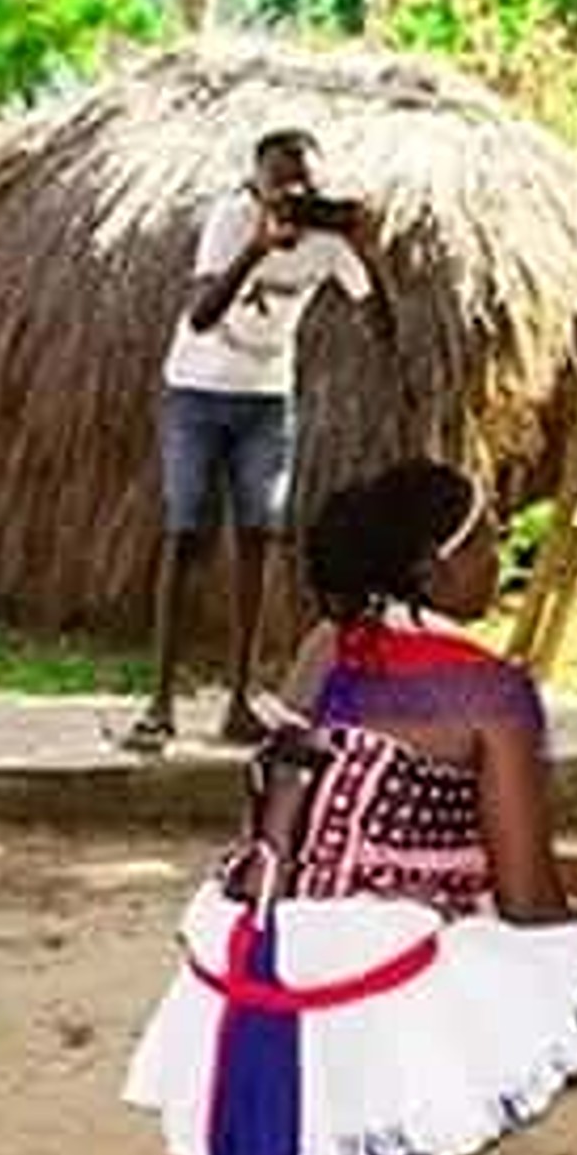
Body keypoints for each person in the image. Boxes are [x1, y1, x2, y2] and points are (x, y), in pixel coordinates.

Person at [121, 460, 577, 1155]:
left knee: (451, 943)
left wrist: (533, 871)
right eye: (481, 542)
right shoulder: (488, 690)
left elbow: (336, 821)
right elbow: (528, 910)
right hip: (359, 978)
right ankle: (415, 1117)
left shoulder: (328, 646)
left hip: (248, 973)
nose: (496, 558)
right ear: (433, 568)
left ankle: (382, 1107)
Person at [124, 127, 396, 754]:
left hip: (266, 402)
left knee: (257, 542)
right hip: (195, 389)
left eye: (306, 182)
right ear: (258, 183)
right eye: (281, 182)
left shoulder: (329, 242)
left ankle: (240, 701)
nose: (294, 192)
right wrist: (257, 247)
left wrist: (366, 249)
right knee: (185, 538)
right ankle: (159, 705)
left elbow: (381, 326)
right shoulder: (232, 217)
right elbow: (200, 314)